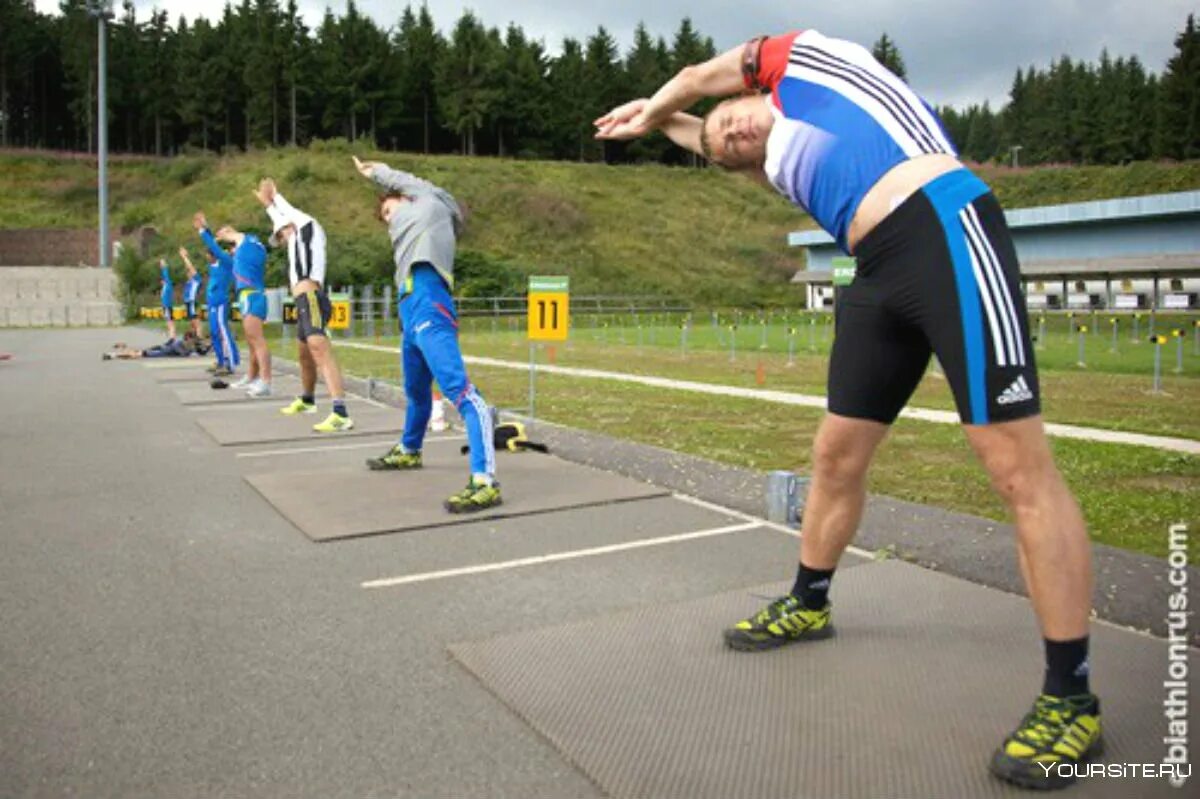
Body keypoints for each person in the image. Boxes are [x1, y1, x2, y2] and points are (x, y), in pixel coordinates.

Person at [596, 30, 1100, 791]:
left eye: (732, 121)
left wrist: (655, 107)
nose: (732, 138)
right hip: (874, 270)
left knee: (1015, 468)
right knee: (835, 454)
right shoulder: (781, 166)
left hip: (944, 227)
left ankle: (1073, 694)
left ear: (749, 91)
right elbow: (703, 126)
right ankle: (810, 599)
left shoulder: (810, 63)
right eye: (727, 152)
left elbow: (699, 77)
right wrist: (669, 125)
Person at [353, 155, 501, 513]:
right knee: (416, 392)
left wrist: (377, 173)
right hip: (410, 306)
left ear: (406, 197)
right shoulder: (412, 224)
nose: (389, 222)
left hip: (429, 300)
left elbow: (417, 184)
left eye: (388, 211)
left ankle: (485, 481)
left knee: (460, 391)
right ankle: (409, 449)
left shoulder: (431, 206)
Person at [254, 178, 354, 433]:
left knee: (318, 347)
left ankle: (340, 411)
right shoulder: (294, 245)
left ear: (290, 225)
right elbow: (282, 220)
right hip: (301, 299)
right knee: (303, 353)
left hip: (311, 297)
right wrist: (269, 206)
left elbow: (293, 216)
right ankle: (308, 399)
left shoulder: (309, 228)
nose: (282, 238)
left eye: (282, 232)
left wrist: (275, 197)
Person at [193, 211, 272, 397]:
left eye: (232, 246)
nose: (231, 249)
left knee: (257, 341)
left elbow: (219, 245)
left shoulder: (247, 247)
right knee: (253, 342)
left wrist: (206, 230)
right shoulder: (243, 254)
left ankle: (266, 381)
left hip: (253, 296)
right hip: (248, 296)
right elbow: (221, 246)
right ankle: (252, 376)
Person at [180, 246, 239, 377]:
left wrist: (185, 257)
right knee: (213, 333)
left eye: (209, 255)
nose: (207, 258)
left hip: (220, 303)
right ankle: (220, 361)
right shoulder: (212, 267)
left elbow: (221, 252)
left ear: (214, 255)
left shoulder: (225, 265)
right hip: (212, 304)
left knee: (223, 331)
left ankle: (230, 363)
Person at [103, 330, 209, 360]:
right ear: (188, 338)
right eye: (192, 340)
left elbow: (199, 352)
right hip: (157, 353)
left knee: (135, 353)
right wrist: (194, 349)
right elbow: (183, 354)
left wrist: (204, 347)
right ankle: (113, 355)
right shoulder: (179, 344)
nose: (193, 342)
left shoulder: (184, 344)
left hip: (160, 350)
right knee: (135, 354)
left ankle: (117, 351)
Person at [182, 253, 203, 338]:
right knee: (192, 323)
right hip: (187, 303)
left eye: (190, 273)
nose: (188, 273)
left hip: (192, 302)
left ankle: (200, 340)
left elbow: (191, 267)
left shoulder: (196, 280)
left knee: (196, 322)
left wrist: (185, 257)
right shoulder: (189, 282)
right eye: (188, 273)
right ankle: (195, 339)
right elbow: (188, 268)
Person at [158, 257, 177, 342]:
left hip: (167, 306)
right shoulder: (164, 288)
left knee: (170, 322)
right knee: (168, 322)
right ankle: (171, 337)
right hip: (165, 306)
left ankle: (172, 338)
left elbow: (166, 274)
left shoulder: (168, 285)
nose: (161, 282)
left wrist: (163, 266)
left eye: (162, 280)